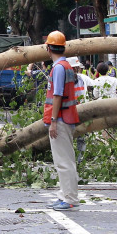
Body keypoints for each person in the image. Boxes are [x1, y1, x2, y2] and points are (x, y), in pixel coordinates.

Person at [42, 31, 80, 210]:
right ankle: (64, 195)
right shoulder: (65, 66)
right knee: (64, 161)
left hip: (61, 119)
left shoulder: (58, 68)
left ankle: (70, 199)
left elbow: (57, 95)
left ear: (48, 48)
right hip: (67, 117)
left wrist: (54, 120)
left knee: (64, 162)